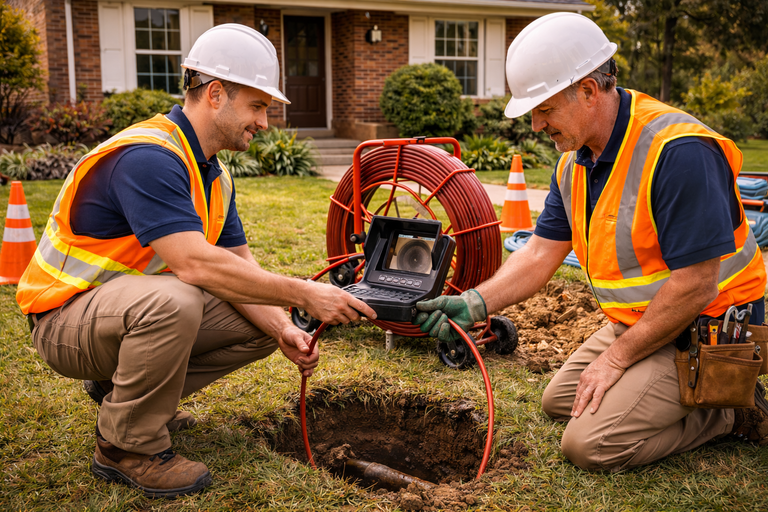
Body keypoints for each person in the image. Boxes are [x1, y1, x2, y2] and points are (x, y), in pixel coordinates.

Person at [16, 23, 376, 498]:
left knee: (261, 321)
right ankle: (127, 446)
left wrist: (286, 328)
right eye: (258, 107)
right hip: (61, 321)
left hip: (114, 317)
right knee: (178, 299)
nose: (264, 123)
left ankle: (122, 397)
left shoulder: (212, 175)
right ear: (216, 94)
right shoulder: (149, 156)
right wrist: (305, 291)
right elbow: (194, 266)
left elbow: (242, 272)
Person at [415, 12, 768, 471]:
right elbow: (541, 253)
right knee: (559, 402)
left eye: (545, 109)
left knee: (588, 445)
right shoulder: (574, 163)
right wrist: (476, 303)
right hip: (646, 322)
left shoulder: (679, 153)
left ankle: (727, 411)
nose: (538, 126)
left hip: (711, 330)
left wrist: (616, 358)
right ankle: (672, 388)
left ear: (587, 89)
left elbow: (698, 286)